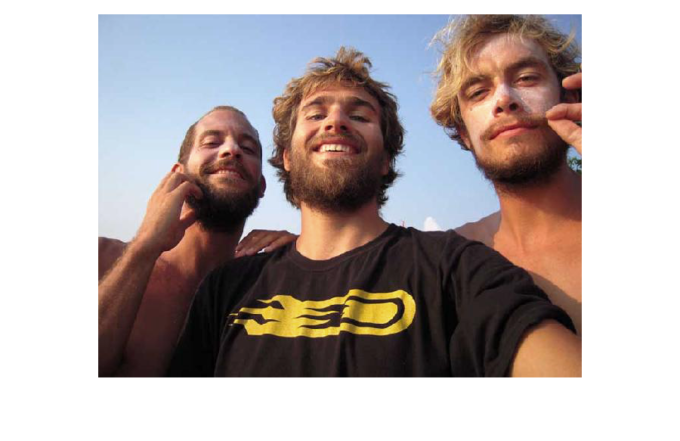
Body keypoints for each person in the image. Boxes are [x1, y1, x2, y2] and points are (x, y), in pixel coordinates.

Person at [167, 48, 582, 378]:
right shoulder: (226, 288)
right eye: (316, 114)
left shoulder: (455, 266)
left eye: (359, 115)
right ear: (287, 157)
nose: (336, 122)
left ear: (386, 159)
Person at [97, 106, 295, 378]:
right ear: (177, 174)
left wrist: (309, 255)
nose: (232, 150)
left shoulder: (268, 288)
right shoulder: (103, 257)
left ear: (261, 187)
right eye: (212, 142)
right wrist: (143, 248)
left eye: (248, 149)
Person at [430, 14, 582, 335]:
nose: (503, 100)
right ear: (464, 133)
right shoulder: (446, 260)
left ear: (569, 98)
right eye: (478, 93)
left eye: (526, 78)